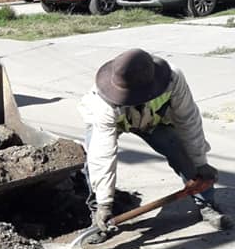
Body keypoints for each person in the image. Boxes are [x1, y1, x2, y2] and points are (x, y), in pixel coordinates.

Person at [79, 48, 231, 232]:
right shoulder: (103, 102)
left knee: (180, 151)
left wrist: (200, 162)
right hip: (114, 123)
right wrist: (104, 202)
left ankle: (207, 205)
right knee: (93, 161)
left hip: (154, 121)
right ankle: (100, 218)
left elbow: (188, 121)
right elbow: (102, 154)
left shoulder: (173, 79)